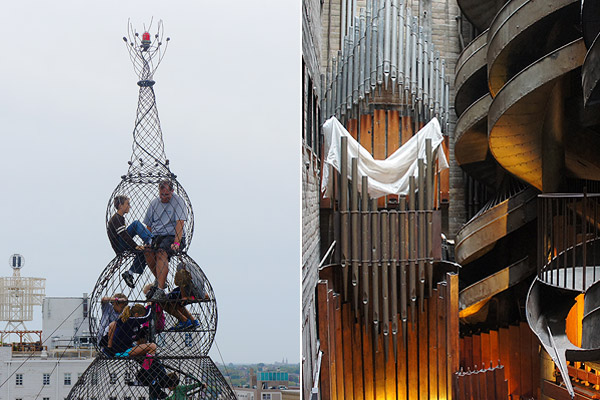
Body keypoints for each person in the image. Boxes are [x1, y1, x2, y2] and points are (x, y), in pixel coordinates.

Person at [144, 180, 187, 301]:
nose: (164, 197)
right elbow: (149, 226)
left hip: (172, 236)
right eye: (161, 194)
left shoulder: (179, 202)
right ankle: (160, 280)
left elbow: (180, 224)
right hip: (156, 236)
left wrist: (177, 242)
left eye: (167, 195)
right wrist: (147, 241)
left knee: (161, 252)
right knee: (147, 251)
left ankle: (160, 290)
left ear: (172, 191)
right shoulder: (154, 204)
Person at [107, 195, 153, 288]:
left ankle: (130, 273)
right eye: (127, 204)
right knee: (136, 224)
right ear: (120, 205)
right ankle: (151, 240)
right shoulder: (117, 218)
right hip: (120, 245)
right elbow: (123, 235)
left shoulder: (119, 218)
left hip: (120, 245)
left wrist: (138, 247)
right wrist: (135, 246)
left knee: (144, 250)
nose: (129, 206)